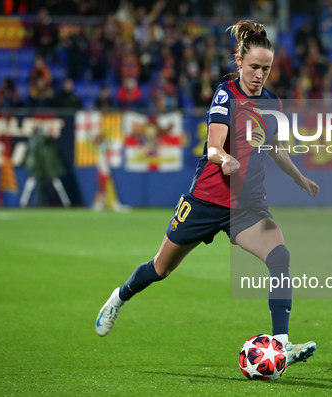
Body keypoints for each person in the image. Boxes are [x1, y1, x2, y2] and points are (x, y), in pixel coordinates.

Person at [95, 20, 318, 368]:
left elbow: (275, 148)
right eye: (254, 67)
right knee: (161, 268)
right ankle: (118, 297)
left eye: (266, 68)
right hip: (206, 200)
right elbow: (213, 147)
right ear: (240, 61)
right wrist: (225, 158)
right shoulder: (226, 94)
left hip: (247, 206)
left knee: (280, 257)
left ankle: (281, 342)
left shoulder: (273, 103)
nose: (260, 74)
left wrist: (298, 175)